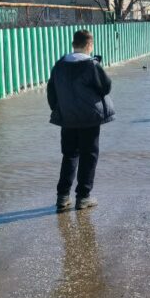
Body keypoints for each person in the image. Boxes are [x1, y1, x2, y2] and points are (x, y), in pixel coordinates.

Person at [47, 30, 114, 211]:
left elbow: (51, 92)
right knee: (89, 155)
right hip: (89, 119)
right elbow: (106, 87)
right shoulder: (91, 65)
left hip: (67, 118)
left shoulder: (59, 65)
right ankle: (83, 197)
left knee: (69, 154)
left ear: (72, 44)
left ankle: (62, 197)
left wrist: (58, 110)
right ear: (89, 45)